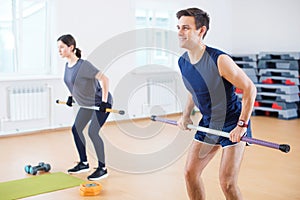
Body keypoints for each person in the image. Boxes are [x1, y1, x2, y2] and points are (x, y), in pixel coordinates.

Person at [176, 8, 257, 200]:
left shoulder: (219, 60)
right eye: (178, 27)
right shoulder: (183, 62)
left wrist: (242, 125)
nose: (179, 32)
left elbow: (249, 89)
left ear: (201, 31)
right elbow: (192, 90)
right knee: (190, 173)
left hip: (232, 122)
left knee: (227, 183)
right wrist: (186, 114)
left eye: (186, 28)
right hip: (209, 123)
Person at [57, 34, 113, 180]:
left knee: (93, 132)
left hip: (99, 102)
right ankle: (83, 163)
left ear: (71, 47)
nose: (59, 50)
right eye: (59, 48)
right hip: (86, 105)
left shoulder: (84, 65)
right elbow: (72, 84)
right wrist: (71, 97)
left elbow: (104, 79)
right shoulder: (67, 65)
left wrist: (104, 102)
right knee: (76, 129)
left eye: (62, 47)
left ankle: (102, 168)